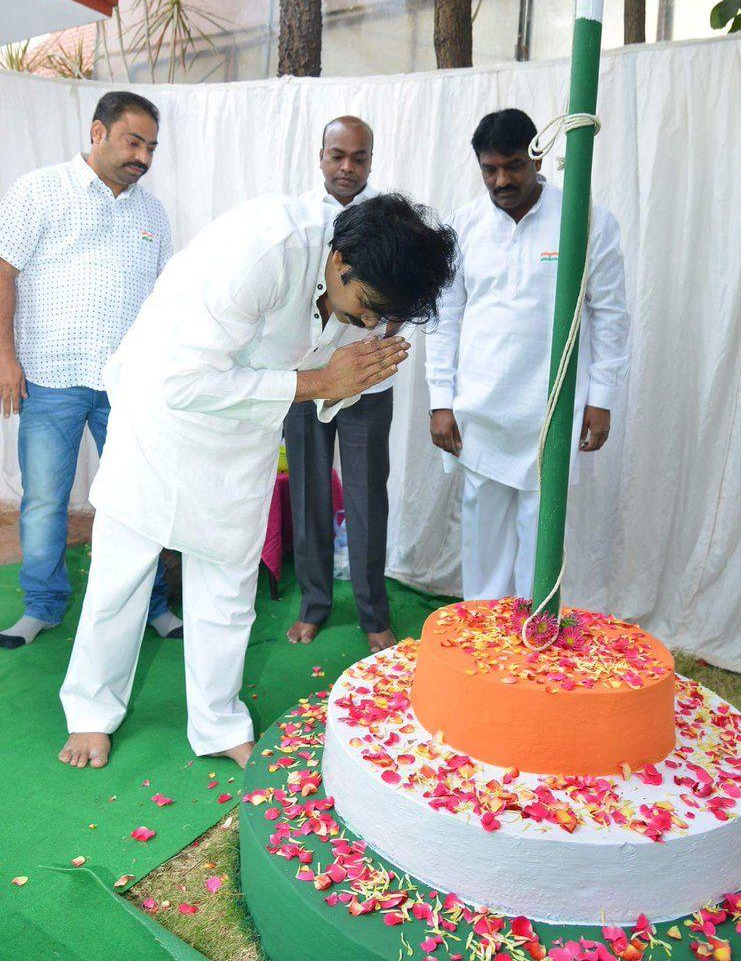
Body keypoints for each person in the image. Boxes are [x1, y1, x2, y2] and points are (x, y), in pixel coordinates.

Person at [58, 192, 458, 771]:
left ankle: (217, 722)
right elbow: (182, 382)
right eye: (367, 306)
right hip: (161, 414)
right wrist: (318, 382)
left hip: (243, 429)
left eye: (383, 315)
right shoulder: (262, 250)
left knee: (228, 579)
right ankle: (92, 712)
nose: (370, 324)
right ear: (340, 259)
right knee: (124, 572)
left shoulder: (374, 285)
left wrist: (346, 380)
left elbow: (336, 376)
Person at [425, 108, 629, 601]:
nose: (501, 180)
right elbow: (443, 317)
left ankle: (533, 644)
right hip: (480, 412)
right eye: (489, 170)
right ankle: (483, 645)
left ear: (537, 158)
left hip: (552, 412)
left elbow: (610, 316)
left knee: (541, 546)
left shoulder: (584, 220)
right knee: (482, 548)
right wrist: (440, 400)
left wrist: (600, 399)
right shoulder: (462, 226)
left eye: (513, 165)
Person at [0, 92, 180, 650]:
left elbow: (162, 299)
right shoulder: (37, 191)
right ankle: (43, 606)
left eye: (151, 146)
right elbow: (3, 274)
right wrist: (4, 357)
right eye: (133, 141)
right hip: (48, 376)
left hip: (127, 387)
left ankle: (151, 605)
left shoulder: (152, 212)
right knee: (46, 500)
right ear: (97, 131)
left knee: (135, 501)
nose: (143, 157)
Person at [284, 116, 397, 654]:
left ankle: (374, 614)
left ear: (371, 159)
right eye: (337, 156)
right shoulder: (299, 220)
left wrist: (391, 321)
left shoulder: (390, 219)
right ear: (320, 155)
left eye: (359, 157)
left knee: (366, 495)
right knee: (307, 492)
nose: (347, 167)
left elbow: (410, 296)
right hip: (306, 377)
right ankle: (314, 605)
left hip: (367, 383)